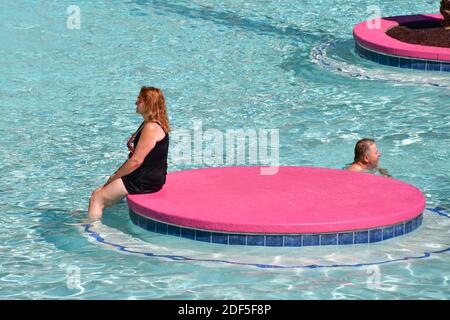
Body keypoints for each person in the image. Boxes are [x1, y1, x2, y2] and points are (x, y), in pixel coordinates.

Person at [88, 86, 170, 221]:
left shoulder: (151, 127)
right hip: (146, 176)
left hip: (144, 180)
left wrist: (113, 178)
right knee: (98, 192)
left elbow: (136, 161)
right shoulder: (148, 124)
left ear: (148, 103)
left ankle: (92, 231)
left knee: (97, 198)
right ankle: (95, 217)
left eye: (139, 100)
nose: (136, 103)